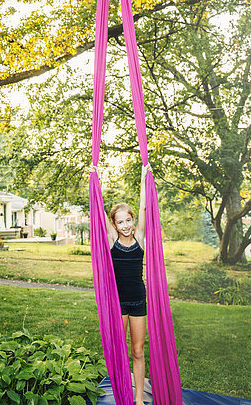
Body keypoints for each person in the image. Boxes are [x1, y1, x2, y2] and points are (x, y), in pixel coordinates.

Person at [104, 164, 151, 405]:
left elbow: (144, 206)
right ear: (114, 225)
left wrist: (144, 178)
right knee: (119, 352)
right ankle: (121, 393)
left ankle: (139, 399)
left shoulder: (140, 238)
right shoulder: (113, 240)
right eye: (120, 222)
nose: (125, 225)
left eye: (128, 220)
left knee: (138, 351)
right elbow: (98, 208)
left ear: (133, 221)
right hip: (118, 302)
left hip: (138, 300)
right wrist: (94, 178)